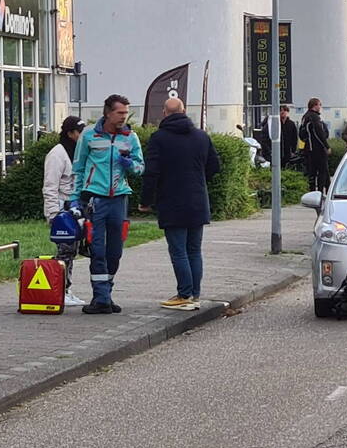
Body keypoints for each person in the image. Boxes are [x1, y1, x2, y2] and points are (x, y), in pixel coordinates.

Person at [139, 98, 221, 311]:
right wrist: (197, 180)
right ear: (184, 111)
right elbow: (215, 165)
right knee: (194, 249)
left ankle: (184, 294)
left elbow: (152, 172)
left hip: (172, 200)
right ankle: (194, 294)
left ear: (165, 113)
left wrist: (146, 201)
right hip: (197, 199)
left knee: (179, 251)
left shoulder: (159, 138)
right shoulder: (201, 136)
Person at [71, 94, 145, 315]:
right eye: (120, 113)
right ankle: (100, 297)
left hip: (119, 198)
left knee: (115, 251)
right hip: (96, 199)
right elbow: (78, 167)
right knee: (97, 248)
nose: (124, 117)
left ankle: (107, 294)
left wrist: (129, 164)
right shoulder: (89, 135)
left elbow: (141, 168)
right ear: (108, 113)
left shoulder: (130, 138)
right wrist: (74, 198)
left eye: (126, 113)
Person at [43, 116, 87, 306]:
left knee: (72, 251)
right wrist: (53, 214)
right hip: (62, 210)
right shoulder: (57, 154)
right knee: (65, 251)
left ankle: (66, 289)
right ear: (70, 133)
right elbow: (50, 186)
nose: (83, 136)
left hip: (75, 209)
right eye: (80, 132)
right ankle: (61, 291)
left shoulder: (78, 152)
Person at [300, 97, 331, 192]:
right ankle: (320, 192)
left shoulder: (305, 117)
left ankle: (313, 190)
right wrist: (327, 146)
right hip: (318, 149)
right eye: (319, 104)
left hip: (309, 149)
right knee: (322, 171)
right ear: (315, 105)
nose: (320, 107)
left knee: (312, 172)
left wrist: (306, 141)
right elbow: (319, 133)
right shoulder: (314, 117)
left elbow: (301, 134)